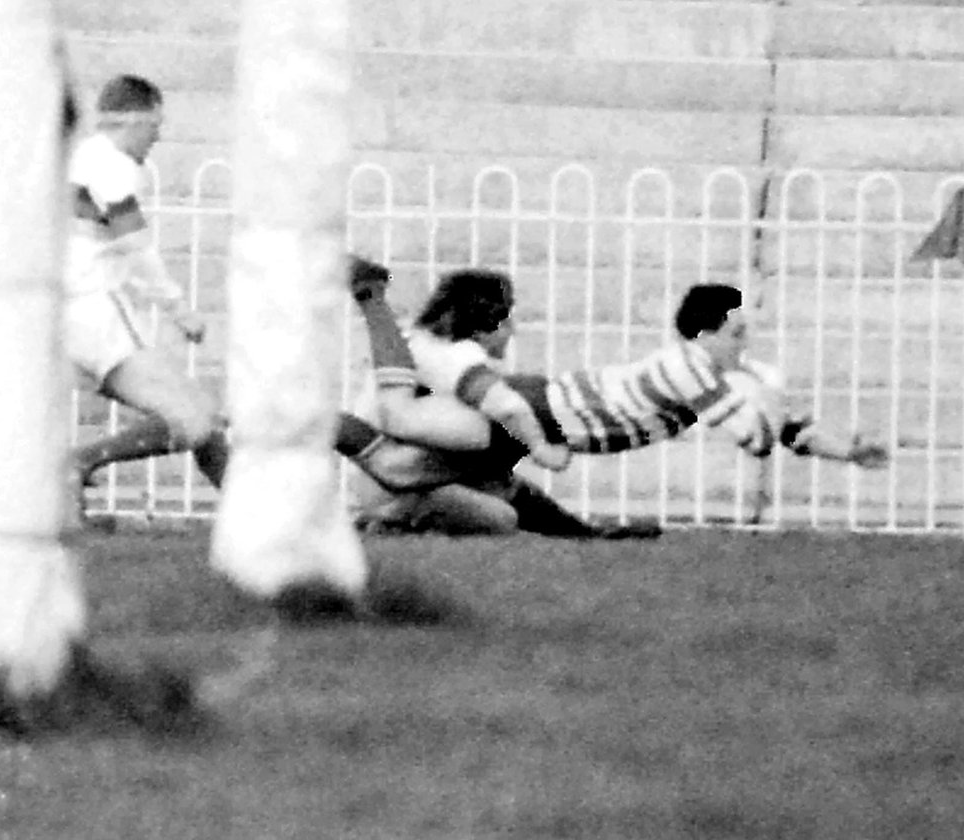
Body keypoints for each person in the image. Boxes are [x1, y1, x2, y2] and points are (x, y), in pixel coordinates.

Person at [343, 256, 888, 535]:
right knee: (400, 457)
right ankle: (368, 303)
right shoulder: (687, 371)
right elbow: (755, 438)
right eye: (738, 332)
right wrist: (766, 386)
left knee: (491, 499)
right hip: (537, 412)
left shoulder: (712, 375)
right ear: (705, 335)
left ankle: (583, 537)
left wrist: (848, 452)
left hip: (542, 411)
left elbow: (786, 430)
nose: (746, 344)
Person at [61, 74, 228, 518]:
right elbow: (135, 246)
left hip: (70, 314)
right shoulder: (112, 165)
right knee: (194, 420)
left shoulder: (81, 158)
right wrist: (178, 308)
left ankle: (256, 517)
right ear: (134, 119)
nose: (159, 134)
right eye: (156, 123)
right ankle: (78, 463)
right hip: (96, 313)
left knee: (202, 417)